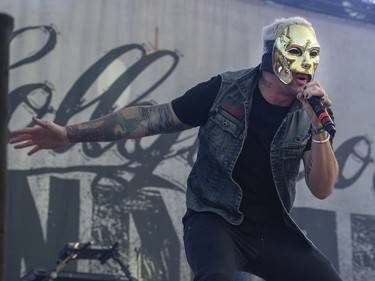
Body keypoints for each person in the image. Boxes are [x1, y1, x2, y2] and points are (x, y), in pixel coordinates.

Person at [9, 16, 342, 281]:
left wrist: (318, 128)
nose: (306, 63)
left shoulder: (309, 112)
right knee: (215, 275)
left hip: (272, 230)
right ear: (273, 56)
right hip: (216, 219)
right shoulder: (224, 91)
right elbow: (151, 119)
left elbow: (322, 188)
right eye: (296, 51)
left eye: (313, 53)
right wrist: (69, 133)